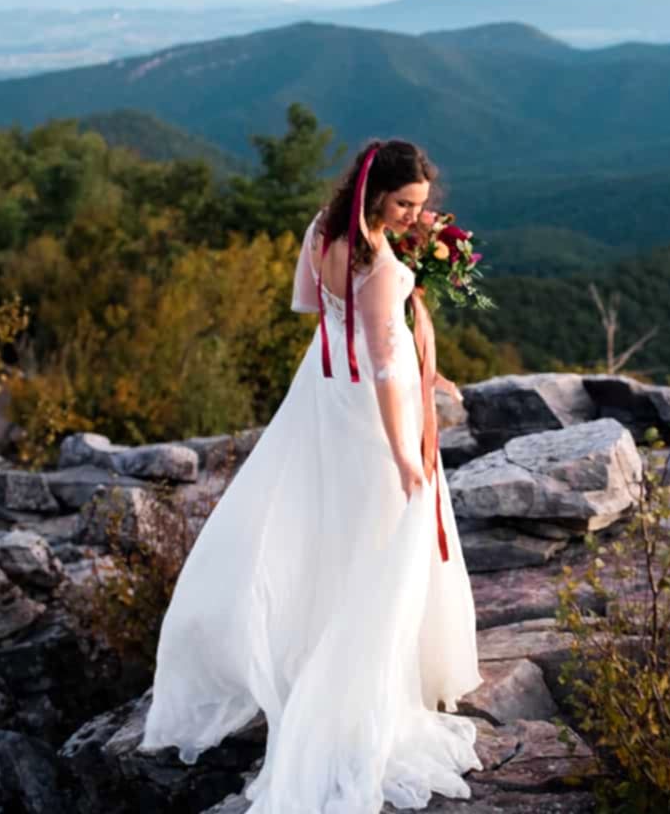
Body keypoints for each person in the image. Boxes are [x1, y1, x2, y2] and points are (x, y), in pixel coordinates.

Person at [140, 138, 482, 812]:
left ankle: (308, 647)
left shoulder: (322, 230)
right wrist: (406, 453)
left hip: (322, 387)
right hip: (369, 405)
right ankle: (363, 677)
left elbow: (310, 305)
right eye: (406, 203)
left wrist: (402, 343)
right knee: (381, 531)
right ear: (377, 193)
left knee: (321, 522)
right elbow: (385, 370)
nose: (417, 216)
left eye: (421, 205)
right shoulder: (382, 268)